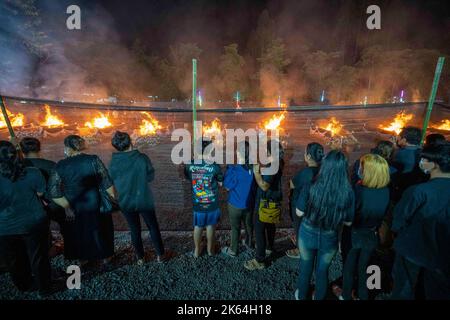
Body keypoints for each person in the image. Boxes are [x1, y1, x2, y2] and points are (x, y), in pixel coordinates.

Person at [390, 142, 450, 300]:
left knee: (404, 290)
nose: (421, 162)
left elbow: (399, 220)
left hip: (414, 251)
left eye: (424, 159)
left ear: (435, 164)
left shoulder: (419, 191)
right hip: (443, 257)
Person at [294, 150, 355, 300]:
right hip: (330, 236)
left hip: (307, 233)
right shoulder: (348, 192)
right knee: (322, 271)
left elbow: (299, 213)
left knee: (305, 268)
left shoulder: (311, 185)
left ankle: (301, 296)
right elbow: (348, 221)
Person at [49, 135, 116, 268]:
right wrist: (112, 197)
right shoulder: (93, 159)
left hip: (74, 203)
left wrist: (67, 207)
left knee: (78, 230)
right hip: (94, 201)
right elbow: (106, 181)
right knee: (101, 228)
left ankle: (82, 258)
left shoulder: (60, 165)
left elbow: (53, 191)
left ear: (68, 148)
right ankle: (106, 257)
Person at [0, 141, 53, 297]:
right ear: (16, 154)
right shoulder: (32, 172)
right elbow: (41, 194)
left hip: (5, 226)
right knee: (39, 256)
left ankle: (24, 285)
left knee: (14, 258)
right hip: (33, 222)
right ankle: (44, 288)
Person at [109, 131, 165, 264]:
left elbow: (111, 180)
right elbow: (150, 177)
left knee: (134, 229)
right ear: (130, 142)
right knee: (152, 226)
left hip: (125, 201)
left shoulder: (113, 162)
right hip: (144, 198)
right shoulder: (141, 158)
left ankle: (140, 258)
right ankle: (160, 255)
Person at [341, 154, 391, 300]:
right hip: (371, 234)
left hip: (354, 234)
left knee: (349, 268)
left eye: (362, 166)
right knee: (365, 268)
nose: (359, 169)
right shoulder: (386, 191)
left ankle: (346, 295)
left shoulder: (357, 191)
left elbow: (348, 218)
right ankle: (364, 296)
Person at [20, 137, 67, 255]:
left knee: (40, 229)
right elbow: (60, 184)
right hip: (53, 203)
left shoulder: (19, 167)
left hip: (31, 205)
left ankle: (46, 248)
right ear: (39, 148)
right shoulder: (51, 165)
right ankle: (70, 246)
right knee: (64, 224)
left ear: (22, 150)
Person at [244, 140, 284, 271]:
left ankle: (260, 260)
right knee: (270, 225)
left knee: (259, 229)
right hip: (272, 201)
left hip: (264, 202)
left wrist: (256, 172)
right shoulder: (278, 162)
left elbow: (264, 186)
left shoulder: (272, 166)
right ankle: (269, 248)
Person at [184, 139, 223, 258]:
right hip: (211, 202)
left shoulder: (189, 165)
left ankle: (196, 251)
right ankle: (210, 251)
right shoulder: (215, 166)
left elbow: (188, 178)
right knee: (210, 226)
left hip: (198, 202)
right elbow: (221, 182)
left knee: (198, 226)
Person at [286, 142, 324, 259]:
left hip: (301, 205)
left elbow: (292, 184)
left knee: (299, 227)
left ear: (308, 156)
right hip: (316, 205)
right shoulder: (323, 170)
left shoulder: (307, 172)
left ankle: (300, 250)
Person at [222, 141, 255, 257]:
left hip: (235, 205)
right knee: (249, 226)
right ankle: (249, 244)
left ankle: (233, 250)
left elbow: (226, 187)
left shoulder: (234, 170)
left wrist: (229, 169)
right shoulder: (253, 169)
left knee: (235, 228)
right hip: (249, 205)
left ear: (237, 152)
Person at [391, 127, 427, 202]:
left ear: (404, 140)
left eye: (399, 137)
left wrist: (392, 149)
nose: (397, 139)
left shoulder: (400, 153)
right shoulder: (424, 151)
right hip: (417, 185)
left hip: (401, 187)